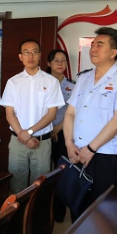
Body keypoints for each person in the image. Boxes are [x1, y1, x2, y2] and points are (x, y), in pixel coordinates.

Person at [63, 27, 117, 219]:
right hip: (78, 153)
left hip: (105, 156)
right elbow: (70, 113)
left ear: (113, 52)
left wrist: (91, 148)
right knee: (77, 209)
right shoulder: (83, 77)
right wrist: (69, 143)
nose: (93, 48)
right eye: (92, 44)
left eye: (99, 45)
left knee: (104, 215)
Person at [0, 39, 64, 194]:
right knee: (16, 185)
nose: (31, 56)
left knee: (40, 186)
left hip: (42, 142)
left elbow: (52, 114)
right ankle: (17, 211)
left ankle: (36, 212)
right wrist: (23, 136)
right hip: (18, 142)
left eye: (34, 52)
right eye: (26, 52)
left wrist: (28, 132)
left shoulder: (51, 82)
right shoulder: (13, 82)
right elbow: (9, 114)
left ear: (40, 55)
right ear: (20, 56)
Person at [46, 48, 75, 222]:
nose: (60, 63)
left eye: (63, 60)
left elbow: (73, 112)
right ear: (49, 63)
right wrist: (49, 130)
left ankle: (58, 213)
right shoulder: (41, 82)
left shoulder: (73, 85)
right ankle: (42, 209)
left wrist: (56, 130)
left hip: (63, 134)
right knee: (43, 173)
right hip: (42, 132)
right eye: (56, 60)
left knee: (61, 173)